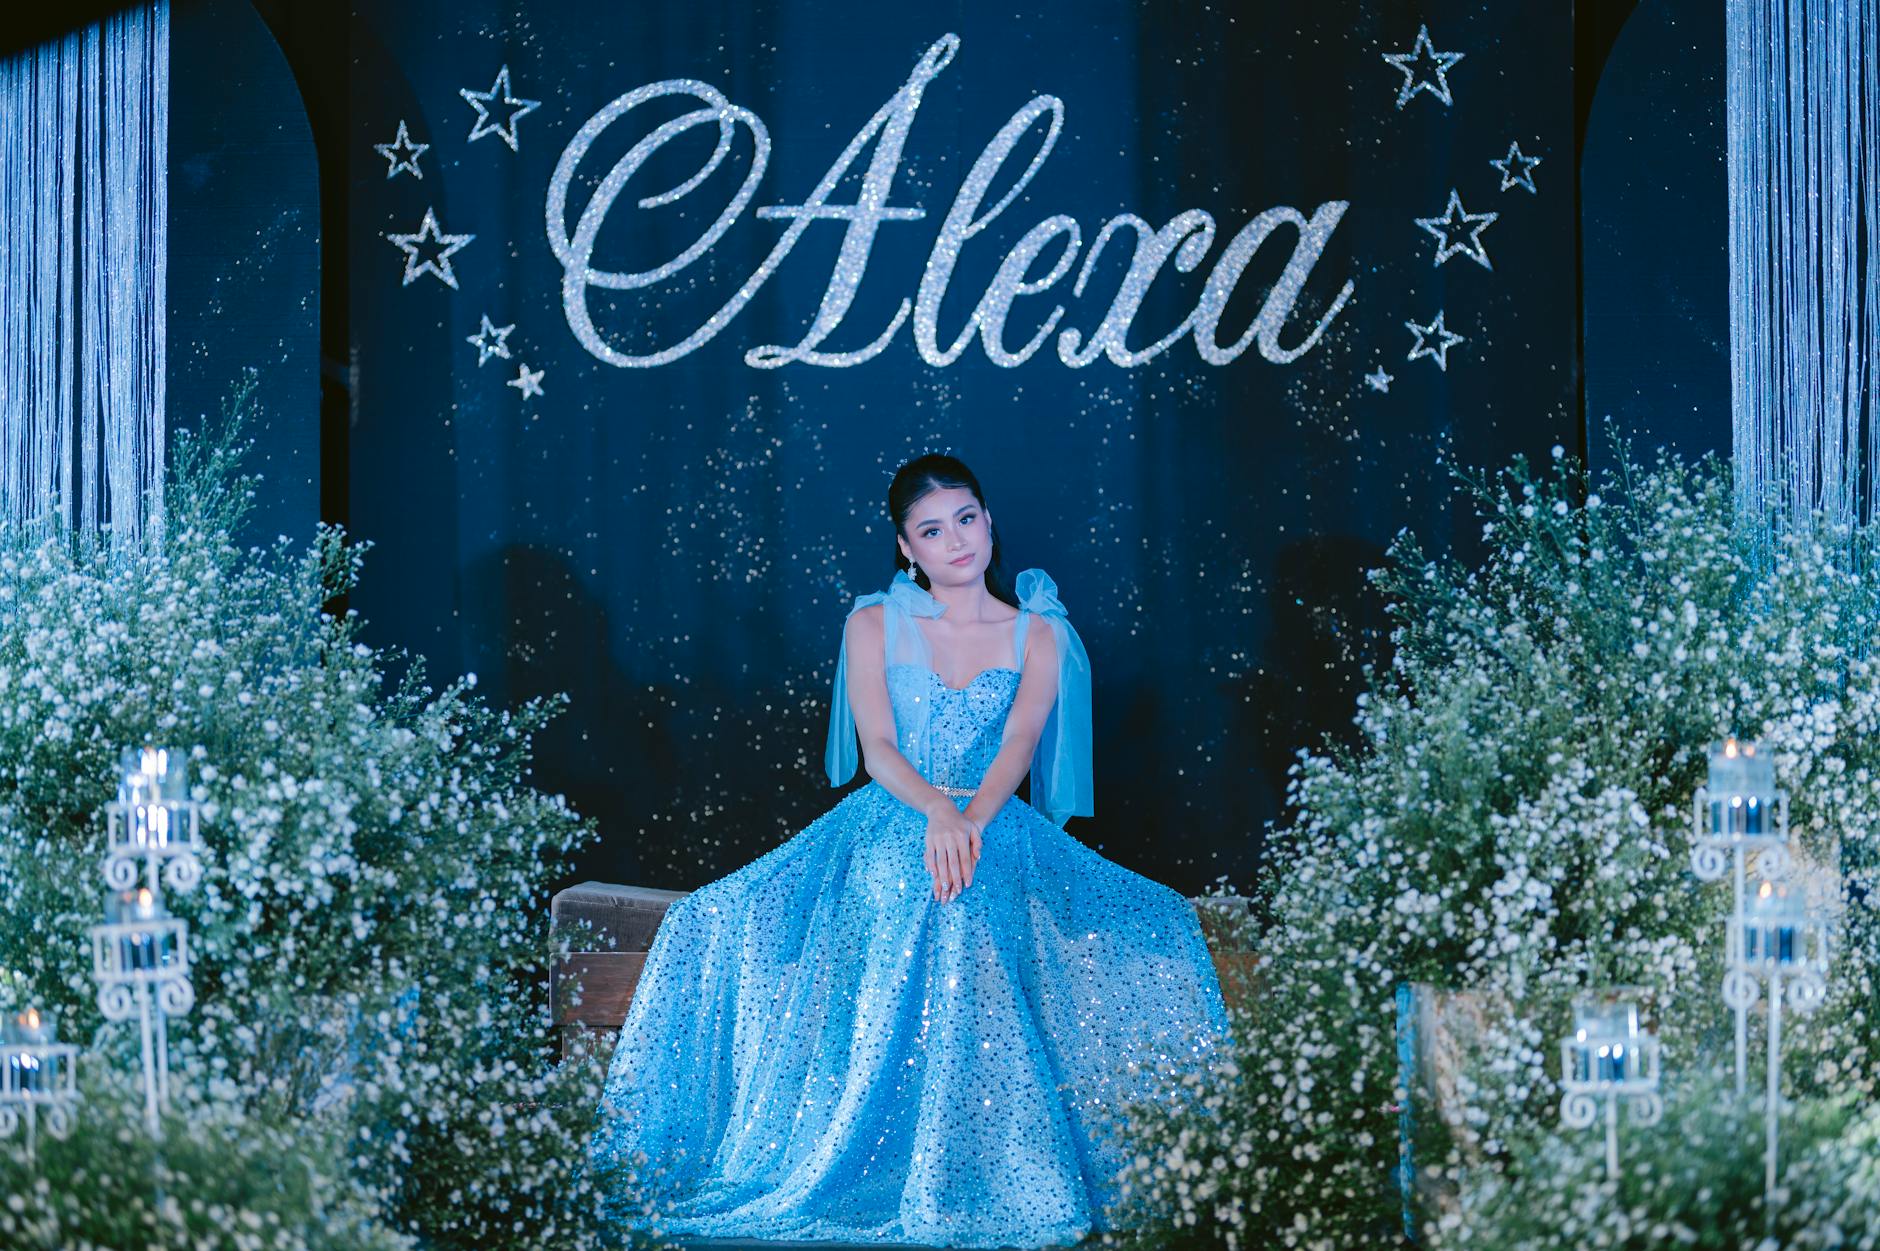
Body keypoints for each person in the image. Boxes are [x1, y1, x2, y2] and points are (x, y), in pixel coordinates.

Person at [590, 454, 1231, 1248]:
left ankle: (978, 1165)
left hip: (996, 818)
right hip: (894, 815)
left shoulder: (1040, 631)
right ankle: (885, 1149)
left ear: (989, 522)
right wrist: (935, 808)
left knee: (995, 893)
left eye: (966, 518)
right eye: (932, 529)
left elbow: (1020, 748)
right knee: (775, 906)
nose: (955, 539)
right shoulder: (871, 624)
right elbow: (879, 749)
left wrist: (969, 819)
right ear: (906, 545)